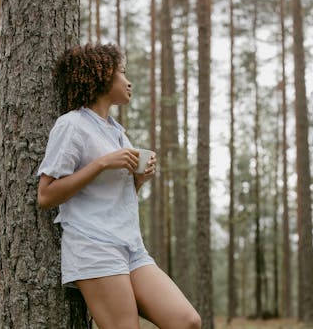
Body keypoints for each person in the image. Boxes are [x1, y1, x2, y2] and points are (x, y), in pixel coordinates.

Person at [37, 43, 201, 329]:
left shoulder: (117, 132)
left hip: (131, 246)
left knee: (187, 321)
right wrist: (102, 163)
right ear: (101, 76)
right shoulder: (72, 125)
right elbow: (46, 195)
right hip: (94, 246)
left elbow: (112, 197)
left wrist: (137, 180)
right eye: (122, 73)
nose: (129, 81)